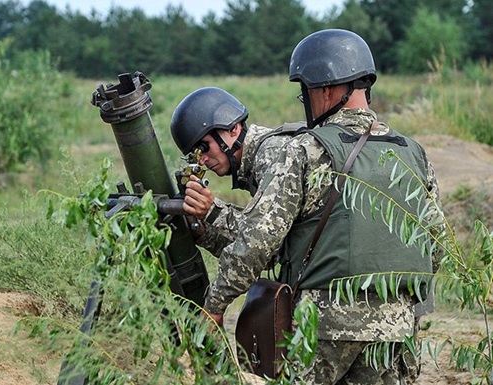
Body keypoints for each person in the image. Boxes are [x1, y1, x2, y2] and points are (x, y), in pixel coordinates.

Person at [170, 28, 442, 384]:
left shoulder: (305, 150)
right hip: (397, 328)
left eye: (305, 92)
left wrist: (215, 304)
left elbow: (257, 243)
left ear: (324, 90)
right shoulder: (413, 154)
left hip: (324, 325)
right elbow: (434, 246)